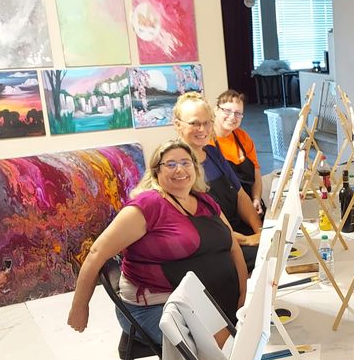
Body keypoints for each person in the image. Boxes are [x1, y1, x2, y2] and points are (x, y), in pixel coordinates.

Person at [67, 140, 248, 344]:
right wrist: (80, 306)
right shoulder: (148, 205)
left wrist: (243, 293)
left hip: (206, 300)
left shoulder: (205, 201)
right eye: (170, 164)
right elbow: (96, 253)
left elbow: (233, 247)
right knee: (226, 348)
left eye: (186, 163)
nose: (179, 169)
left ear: (195, 168)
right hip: (155, 306)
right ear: (156, 172)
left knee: (251, 334)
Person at [173, 92, 262, 269]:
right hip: (214, 246)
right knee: (267, 258)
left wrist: (259, 230)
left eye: (207, 123)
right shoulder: (177, 167)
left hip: (236, 231)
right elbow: (202, 226)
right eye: (194, 123)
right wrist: (248, 240)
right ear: (177, 125)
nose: (203, 129)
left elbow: (240, 196)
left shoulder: (213, 154)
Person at [211, 90, 266, 214]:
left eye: (238, 113)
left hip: (249, 204)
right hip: (222, 210)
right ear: (216, 110)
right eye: (227, 111)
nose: (232, 117)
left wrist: (256, 198)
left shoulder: (243, 137)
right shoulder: (205, 141)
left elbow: (256, 171)